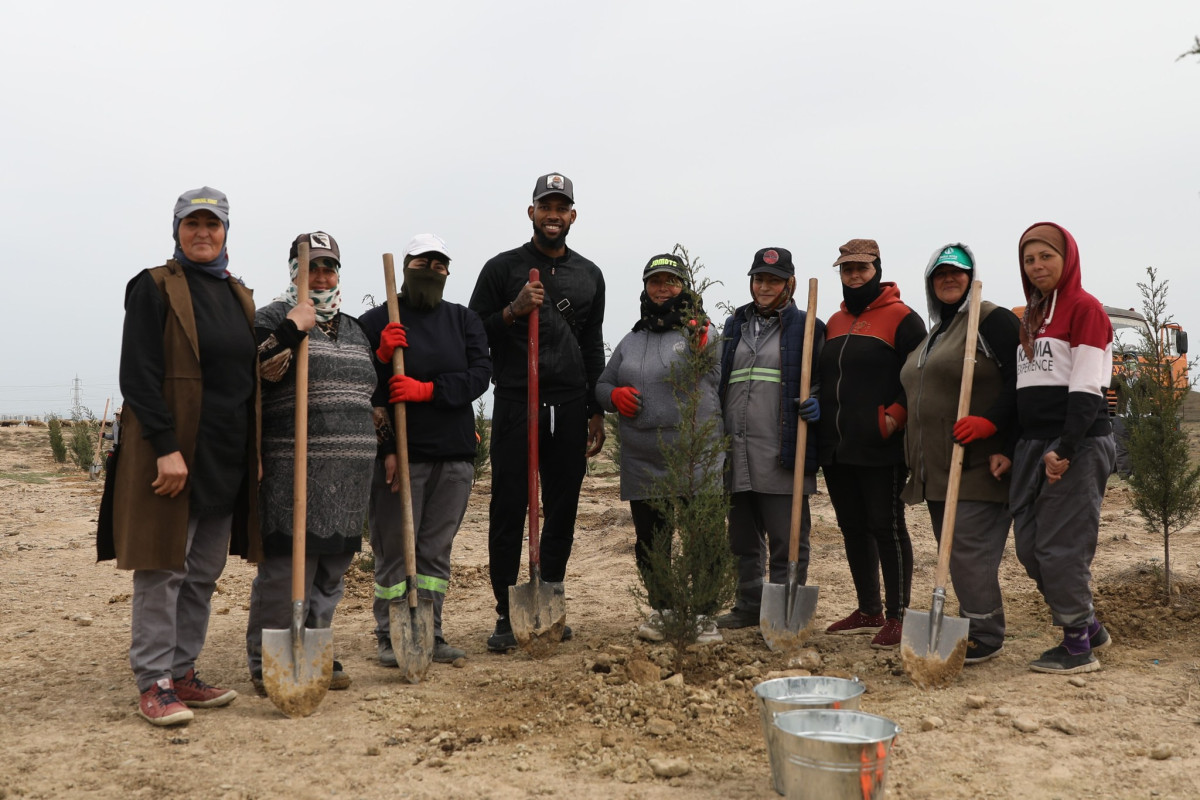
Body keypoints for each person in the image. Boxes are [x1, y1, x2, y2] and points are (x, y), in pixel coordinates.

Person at [98, 187, 260, 726]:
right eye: (192, 224)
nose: (203, 234)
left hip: (223, 454)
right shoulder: (153, 287)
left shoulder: (238, 295)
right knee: (163, 567)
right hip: (174, 453)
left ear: (226, 233)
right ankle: (154, 681)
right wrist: (165, 448)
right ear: (176, 230)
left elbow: (247, 374)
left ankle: (183, 671)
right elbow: (138, 377)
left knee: (201, 574)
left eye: (213, 225)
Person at [468, 172, 606, 652]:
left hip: (567, 403)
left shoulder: (589, 274)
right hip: (515, 400)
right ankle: (507, 614)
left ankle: (547, 600)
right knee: (508, 506)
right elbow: (475, 333)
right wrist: (512, 311)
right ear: (531, 213)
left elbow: (592, 346)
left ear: (572, 216)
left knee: (562, 507)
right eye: (544, 206)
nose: (553, 215)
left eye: (561, 207)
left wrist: (595, 409)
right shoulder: (501, 269)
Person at [245, 232, 376, 693]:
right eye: (313, 266)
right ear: (294, 271)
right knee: (285, 572)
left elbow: (371, 396)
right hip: (291, 469)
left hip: (350, 474)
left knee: (331, 573)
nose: (322, 275)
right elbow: (252, 368)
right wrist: (292, 329)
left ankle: (316, 648)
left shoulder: (356, 329)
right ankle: (268, 661)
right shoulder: (272, 316)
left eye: (329, 267)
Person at [361, 234, 491, 666]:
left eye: (439, 265)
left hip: (453, 455)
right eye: (422, 263)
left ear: (448, 272)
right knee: (396, 549)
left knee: (435, 550)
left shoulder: (464, 320)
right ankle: (388, 636)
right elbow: (364, 388)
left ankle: (429, 634)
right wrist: (379, 355)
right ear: (406, 267)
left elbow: (479, 378)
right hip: (401, 454)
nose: (431, 271)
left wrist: (427, 390)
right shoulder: (377, 321)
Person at [898, 243, 1020, 664]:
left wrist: (999, 433)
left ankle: (986, 633)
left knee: (968, 552)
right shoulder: (937, 332)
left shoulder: (993, 320)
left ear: (971, 278)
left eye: (958, 273)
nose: (949, 279)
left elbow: (1024, 382)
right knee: (955, 552)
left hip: (979, 462)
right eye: (940, 274)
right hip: (937, 466)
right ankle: (972, 623)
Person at [595, 253, 723, 643]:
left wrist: (702, 341)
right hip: (643, 460)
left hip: (695, 459)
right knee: (652, 541)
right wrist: (614, 396)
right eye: (655, 281)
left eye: (671, 281)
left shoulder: (702, 330)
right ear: (645, 288)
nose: (662, 288)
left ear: (685, 287)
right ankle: (663, 609)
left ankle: (704, 615)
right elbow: (601, 386)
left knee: (703, 538)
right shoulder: (631, 340)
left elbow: (715, 370)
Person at [1011, 223, 1115, 674]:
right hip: (1032, 443)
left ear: (1066, 258)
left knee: (1061, 547)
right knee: (1030, 547)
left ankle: (1077, 646)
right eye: (1029, 259)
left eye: (1046, 256)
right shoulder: (1031, 316)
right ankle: (1089, 626)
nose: (1037, 266)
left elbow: (1088, 385)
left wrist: (1066, 447)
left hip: (1076, 441)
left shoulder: (1085, 308)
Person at [817, 239, 926, 649]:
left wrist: (893, 418)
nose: (854, 276)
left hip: (881, 446)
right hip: (838, 447)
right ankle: (869, 609)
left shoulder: (903, 319)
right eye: (847, 269)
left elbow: (921, 377)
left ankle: (899, 615)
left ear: (877, 270)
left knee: (888, 527)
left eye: (862, 269)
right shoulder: (833, 321)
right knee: (852, 528)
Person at [713, 247, 825, 631]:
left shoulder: (808, 327)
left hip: (781, 451)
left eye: (773, 280)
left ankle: (783, 612)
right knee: (743, 539)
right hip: (736, 450)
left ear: (789, 284)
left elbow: (825, 380)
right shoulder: (734, 326)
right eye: (759, 279)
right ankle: (749, 604)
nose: (764, 287)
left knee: (787, 538)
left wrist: (819, 402)